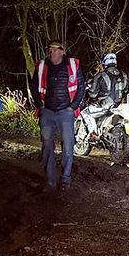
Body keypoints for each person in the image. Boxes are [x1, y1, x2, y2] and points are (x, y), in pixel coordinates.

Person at [30, 40, 86, 192]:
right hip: (47, 112)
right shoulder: (42, 66)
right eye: (49, 50)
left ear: (62, 51)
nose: (51, 53)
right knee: (47, 147)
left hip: (65, 113)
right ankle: (50, 182)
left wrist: (72, 107)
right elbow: (33, 86)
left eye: (54, 50)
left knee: (68, 147)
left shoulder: (73, 65)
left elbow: (81, 87)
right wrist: (39, 104)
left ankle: (65, 180)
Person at [80, 52, 129, 139]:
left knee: (85, 112)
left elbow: (93, 94)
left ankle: (93, 133)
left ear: (104, 62)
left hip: (105, 105)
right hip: (119, 106)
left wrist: (91, 89)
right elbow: (125, 90)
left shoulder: (101, 76)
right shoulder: (124, 75)